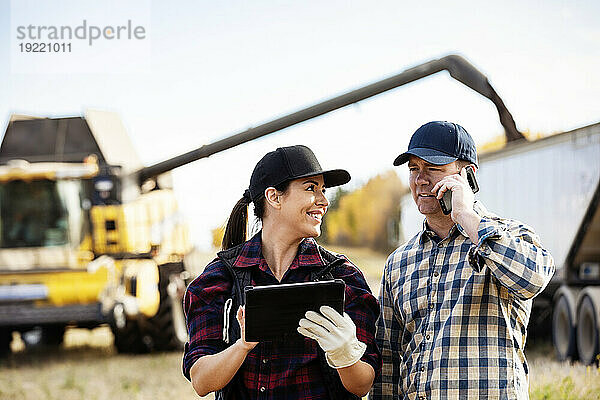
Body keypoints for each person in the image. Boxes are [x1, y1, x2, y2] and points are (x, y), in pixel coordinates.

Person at [370, 121, 555, 399]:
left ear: (467, 175)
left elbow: (534, 280)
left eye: (432, 168)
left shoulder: (510, 235)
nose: (420, 179)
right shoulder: (398, 262)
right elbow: (388, 361)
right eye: (413, 169)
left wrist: (467, 218)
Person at [183, 145, 381, 399]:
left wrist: (345, 353)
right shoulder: (218, 279)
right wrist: (243, 345)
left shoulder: (343, 277)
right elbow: (201, 382)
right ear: (274, 197)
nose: (323, 201)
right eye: (311, 188)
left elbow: (363, 384)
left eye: (323, 190)